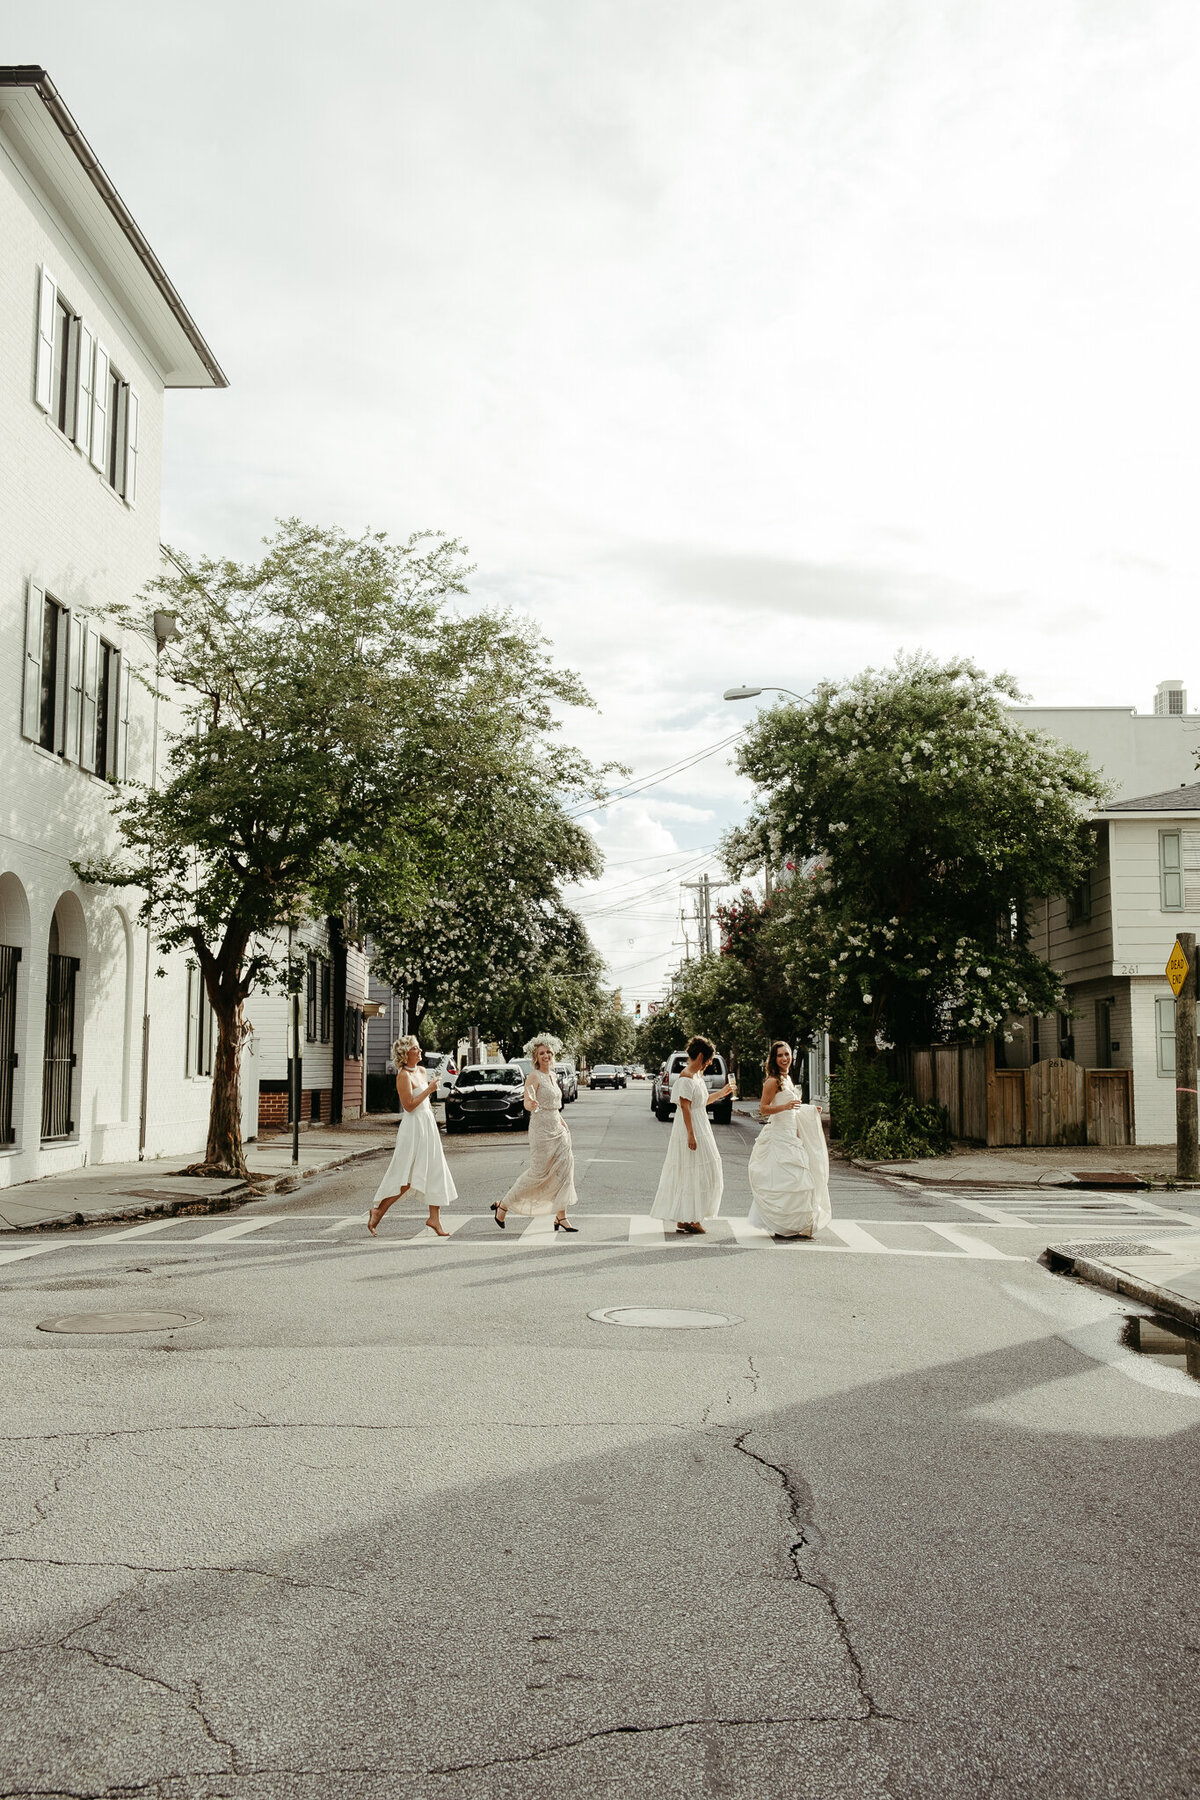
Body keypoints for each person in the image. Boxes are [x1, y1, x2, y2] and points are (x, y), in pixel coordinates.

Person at [368, 1036, 458, 1237]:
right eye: (416, 1049)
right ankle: (379, 1210)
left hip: (427, 1124)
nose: (420, 1051)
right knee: (407, 1175)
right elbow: (408, 1105)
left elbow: (423, 1101)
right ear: (406, 1054)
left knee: (435, 1168)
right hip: (413, 1127)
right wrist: (430, 1089)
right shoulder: (403, 1076)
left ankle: (434, 1219)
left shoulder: (422, 1071)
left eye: (418, 1048)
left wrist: (430, 1088)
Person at [650, 1035, 736, 1234]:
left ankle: (687, 1217)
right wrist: (690, 1134)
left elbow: (700, 1103)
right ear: (700, 1056)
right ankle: (691, 1217)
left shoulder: (696, 1077)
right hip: (691, 1127)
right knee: (694, 1170)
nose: (709, 1063)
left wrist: (722, 1093)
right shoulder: (686, 1077)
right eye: (708, 1059)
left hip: (701, 1124)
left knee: (702, 1169)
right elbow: (686, 1107)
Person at [492, 1037, 578, 1231]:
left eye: (548, 1052)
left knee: (564, 1172)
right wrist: (530, 1104)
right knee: (537, 1174)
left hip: (558, 1129)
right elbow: (527, 1099)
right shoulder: (534, 1076)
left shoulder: (553, 1076)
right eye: (541, 1053)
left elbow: (555, 1106)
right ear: (536, 1057)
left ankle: (561, 1217)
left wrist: (563, 1124)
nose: (546, 1055)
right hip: (541, 1131)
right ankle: (503, 1205)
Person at [747, 1041, 831, 1240]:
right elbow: (763, 1108)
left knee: (800, 1179)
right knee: (785, 1179)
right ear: (774, 1059)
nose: (784, 1058)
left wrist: (811, 1109)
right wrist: (784, 1108)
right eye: (780, 1055)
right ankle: (782, 1224)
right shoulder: (772, 1081)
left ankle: (796, 1224)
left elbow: (795, 1106)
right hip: (779, 1136)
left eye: (787, 1054)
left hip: (792, 1135)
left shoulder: (788, 1079)